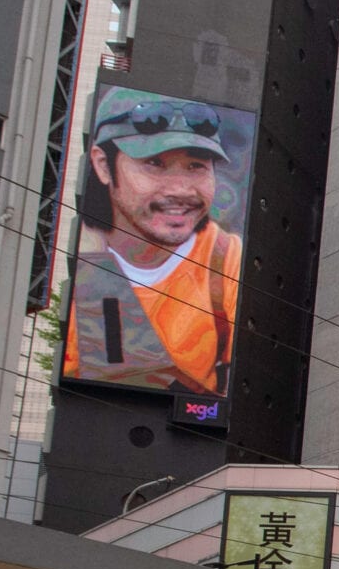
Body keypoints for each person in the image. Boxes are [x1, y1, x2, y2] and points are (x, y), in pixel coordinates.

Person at [64, 95, 242, 397]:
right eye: (154, 163)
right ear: (103, 165)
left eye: (196, 166)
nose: (180, 190)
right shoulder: (76, 263)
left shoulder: (226, 258)